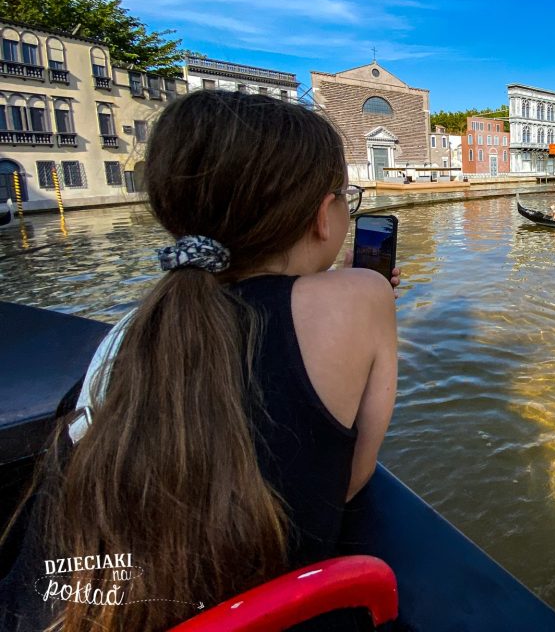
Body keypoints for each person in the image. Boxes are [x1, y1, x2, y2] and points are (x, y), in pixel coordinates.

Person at [0, 90, 400, 631]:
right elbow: (349, 482)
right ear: (322, 216)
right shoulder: (361, 295)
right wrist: (348, 283)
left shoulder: (136, 330)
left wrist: (319, 279)